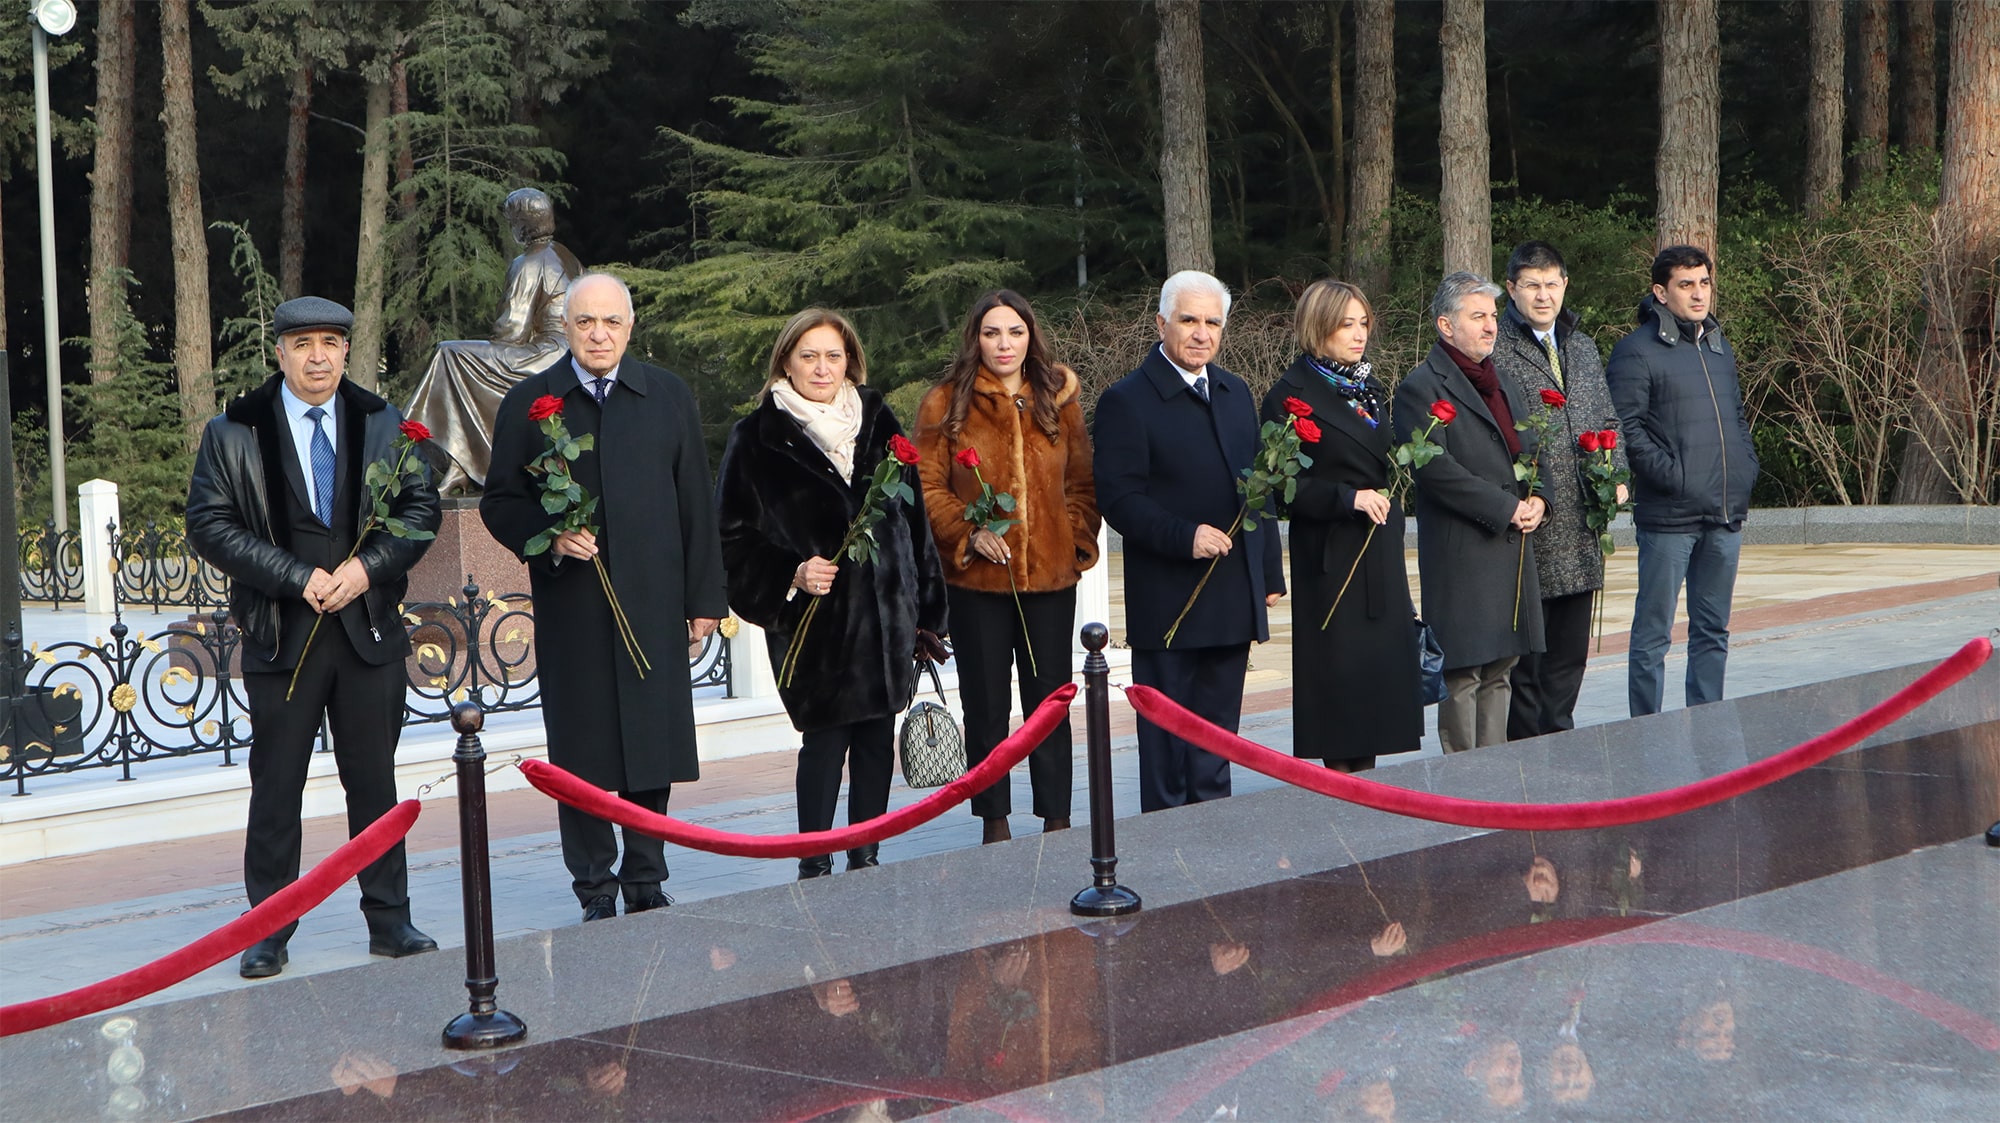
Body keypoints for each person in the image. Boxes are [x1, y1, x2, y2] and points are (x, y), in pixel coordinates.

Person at [186, 296, 441, 978]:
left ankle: (390, 920)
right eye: (304, 344)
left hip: (367, 631)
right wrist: (295, 575)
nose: (319, 355)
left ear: (346, 349)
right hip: (282, 634)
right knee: (276, 786)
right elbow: (209, 524)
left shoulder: (383, 423)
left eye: (330, 341)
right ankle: (268, 928)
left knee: (375, 784)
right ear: (280, 352)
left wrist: (365, 569)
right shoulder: (234, 429)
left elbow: (420, 510)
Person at [481, 273, 728, 922]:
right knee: (583, 747)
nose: (598, 334)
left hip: (652, 598)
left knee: (653, 739)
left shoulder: (667, 394)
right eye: (586, 321)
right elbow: (500, 500)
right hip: (576, 606)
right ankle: (593, 884)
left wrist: (704, 599)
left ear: (630, 326)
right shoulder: (532, 402)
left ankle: (647, 873)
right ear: (565, 326)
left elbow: (695, 503)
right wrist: (551, 535)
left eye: (611, 322)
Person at [715, 308, 949, 878]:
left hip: (888, 614)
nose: (822, 369)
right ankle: (813, 861)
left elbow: (916, 525)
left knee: (875, 741)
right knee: (824, 746)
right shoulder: (757, 436)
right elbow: (732, 538)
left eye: (833, 356)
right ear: (786, 362)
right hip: (815, 625)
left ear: (851, 360)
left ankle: (866, 855)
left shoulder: (878, 420)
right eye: (809, 356)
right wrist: (791, 574)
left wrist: (928, 617)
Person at [1093, 270, 1285, 811]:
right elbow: (1119, 500)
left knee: (1217, 741)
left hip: (1229, 596)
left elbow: (1259, 486)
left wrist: (1266, 573)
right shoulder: (1126, 400)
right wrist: (1185, 537)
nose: (1201, 333)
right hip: (1170, 598)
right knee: (1169, 750)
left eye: (1212, 322)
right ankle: (1169, 858)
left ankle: (1215, 846)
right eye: (1188, 320)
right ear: (1161, 323)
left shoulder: (1235, 391)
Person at [915, 291, 1101, 843]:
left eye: (1014, 332)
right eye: (992, 332)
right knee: (986, 704)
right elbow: (926, 485)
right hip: (977, 582)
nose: (1004, 344)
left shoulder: (1058, 399)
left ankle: (1058, 819)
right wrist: (968, 534)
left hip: (1049, 581)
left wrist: (1071, 542)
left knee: (1050, 703)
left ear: (1030, 337)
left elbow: (1082, 483)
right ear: (975, 337)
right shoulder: (945, 403)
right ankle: (993, 822)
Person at [1259, 280, 1421, 772]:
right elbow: (1278, 486)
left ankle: (1366, 787)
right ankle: (1343, 791)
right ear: (1317, 326)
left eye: (1363, 323)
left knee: (1374, 688)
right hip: (1332, 558)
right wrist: (1346, 497)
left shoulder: (1366, 387)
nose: (1359, 334)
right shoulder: (1290, 394)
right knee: (1341, 688)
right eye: (1346, 324)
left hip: (1378, 550)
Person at [1393, 272, 1547, 754]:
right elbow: (1437, 470)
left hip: (1510, 549)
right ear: (1445, 325)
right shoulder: (1421, 387)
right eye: (1477, 316)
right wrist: (1505, 507)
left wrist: (1540, 498)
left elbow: (1532, 450)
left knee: (1501, 669)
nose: (1490, 326)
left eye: (1493, 316)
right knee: (1463, 674)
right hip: (1464, 551)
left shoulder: (1503, 381)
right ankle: (1462, 787)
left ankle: (1496, 783)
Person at [1606, 245, 1758, 716]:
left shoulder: (1718, 345)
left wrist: (1746, 464)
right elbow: (1626, 429)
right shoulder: (1635, 351)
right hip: (1669, 516)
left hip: (1724, 512)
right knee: (1653, 633)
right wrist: (1676, 478)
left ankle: (1708, 722)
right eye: (1685, 284)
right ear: (1661, 292)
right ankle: (1645, 728)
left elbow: (1734, 414)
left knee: (1713, 629)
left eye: (1704, 283)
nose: (1698, 294)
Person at [1491, 241, 1627, 739]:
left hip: (1582, 524)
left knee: (1570, 656)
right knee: (1527, 661)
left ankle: (1561, 740)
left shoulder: (1582, 346)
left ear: (1565, 285)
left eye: (1551, 284)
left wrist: (1617, 474)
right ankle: (1528, 753)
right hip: (1530, 525)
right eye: (1531, 285)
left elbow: (1609, 420)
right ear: (1511, 289)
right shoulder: (1497, 349)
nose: (1543, 295)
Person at [405, 187, 584, 495]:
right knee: (462, 362)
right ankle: (461, 464)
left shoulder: (529, 262)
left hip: (548, 352)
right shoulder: (563, 253)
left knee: (450, 355)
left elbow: (511, 331)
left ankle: (423, 451)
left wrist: (494, 336)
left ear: (521, 223)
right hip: (568, 351)